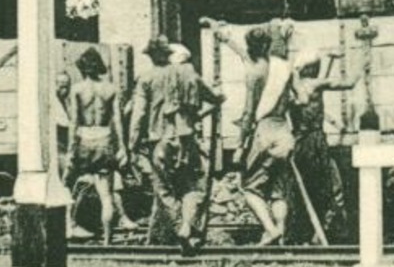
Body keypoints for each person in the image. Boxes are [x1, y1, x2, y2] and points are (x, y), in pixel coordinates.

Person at [128, 37, 220, 254]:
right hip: (186, 141)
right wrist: (197, 115)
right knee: (192, 186)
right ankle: (187, 226)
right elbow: (215, 98)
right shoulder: (187, 74)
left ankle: (179, 224)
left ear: (151, 56)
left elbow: (138, 114)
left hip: (159, 141)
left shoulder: (146, 78)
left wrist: (132, 144)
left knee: (164, 190)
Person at [218, 24, 295, 246]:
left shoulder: (254, 73)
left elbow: (249, 111)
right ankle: (281, 231)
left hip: (265, 132)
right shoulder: (282, 68)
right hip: (284, 131)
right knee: (278, 189)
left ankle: (271, 230)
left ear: (251, 47)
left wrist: (241, 145)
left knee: (250, 187)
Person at [67, 47, 138, 243]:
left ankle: (69, 225)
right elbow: (117, 121)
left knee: (71, 184)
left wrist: (71, 149)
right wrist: (122, 147)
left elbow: (74, 122)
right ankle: (107, 240)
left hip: (84, 140)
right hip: (105, 141)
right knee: (106, 195)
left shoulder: (77, 89)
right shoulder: (111, 89)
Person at [289, 49, 357, 244]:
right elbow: (349, 83)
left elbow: (308, 108)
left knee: (309, 188)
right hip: (316, 141)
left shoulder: (294, 87)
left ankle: (308, 232)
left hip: (300, 141)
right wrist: (363, 63)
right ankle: (324, 231)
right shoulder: (315, 84)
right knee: (330, 186)